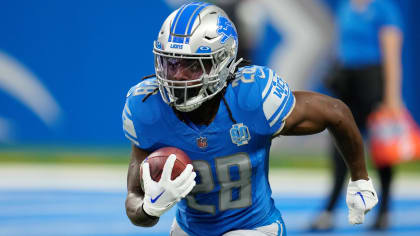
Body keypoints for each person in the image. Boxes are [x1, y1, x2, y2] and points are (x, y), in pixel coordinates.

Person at [122, 2, 378, 235]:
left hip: (255, 228)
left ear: (221, 62)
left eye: (191, 65)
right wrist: (149, 208)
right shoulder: (147, 108)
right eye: (170, 63)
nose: (176, 76)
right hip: (190, 230)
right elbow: (134, 202)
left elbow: (336, 112)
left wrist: (360, 179)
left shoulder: (253, 99)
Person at [310, 0, 403, 231]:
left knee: (381, 150)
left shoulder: (384, 8)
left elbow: (392, 55)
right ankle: (329, 211)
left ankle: (384, 211)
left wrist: (392, 97)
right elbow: (341, 46)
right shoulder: (346, 7)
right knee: (341, 147)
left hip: (372, 82)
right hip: (347, 83)